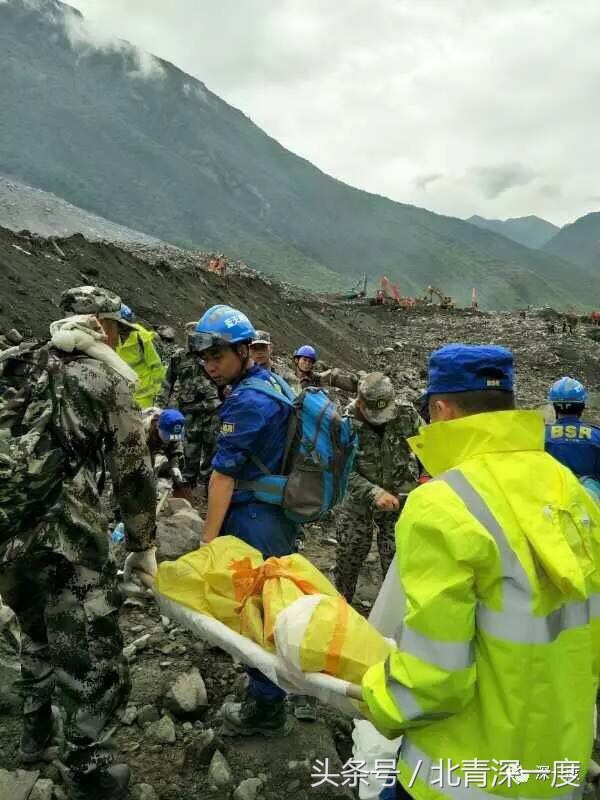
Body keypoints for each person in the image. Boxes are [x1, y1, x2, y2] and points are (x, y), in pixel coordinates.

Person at [361, 344, 600, 800]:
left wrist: (373, 695)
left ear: (442, 409)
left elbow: (434, 683)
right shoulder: (572, 491)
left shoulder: (443, 504)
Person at [0, 285, 157, 800]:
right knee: (90, 656)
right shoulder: (106, 378)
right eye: (120, 329)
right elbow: (132, 471)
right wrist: (142, 543)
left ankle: (33, 740)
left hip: (8, 536)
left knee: (34, 635)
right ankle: (89, 769)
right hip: (66, 542)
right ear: (104, 324)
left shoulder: (18, 364)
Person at [193, 304, 298, 736]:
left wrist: (208, 543)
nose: (209, 367)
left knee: (256, 608)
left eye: (217, 357)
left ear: (242, 351)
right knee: (270, 600)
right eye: (205, 358)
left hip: (254, 517)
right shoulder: (270, 382)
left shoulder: (248, 402)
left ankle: (267, 708)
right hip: (274, 512)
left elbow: (222, 477)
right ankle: (272, 686)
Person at [334, 373, 421, 603]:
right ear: (361, 403)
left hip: (399, 501)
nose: (382, 420)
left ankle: (392, 612)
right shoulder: (346, 422)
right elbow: (341, 471)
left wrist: (426, 477)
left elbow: (429, 448)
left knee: (398, 560)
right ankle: (341, 609)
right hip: (358, 503)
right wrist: (374, 492)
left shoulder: (407, 413)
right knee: (349, 555)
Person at [168, 323, 221, 494]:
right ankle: (188, 484)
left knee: (213, 447)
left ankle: (208, 485)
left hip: (212, 410)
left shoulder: (211, 354)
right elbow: (167, 383)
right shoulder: (178, 357)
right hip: (189, 411)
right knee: (189, 449)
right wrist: (161, 407)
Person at [545, 376, 600, 483]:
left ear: (555, 407)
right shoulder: (597, 436)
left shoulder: (540, 436)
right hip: (588, 497)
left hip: (552, 496)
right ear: (582, 406)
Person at [113, 301, 166, 409]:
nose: (124, 330)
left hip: (145, 394)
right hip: (124, 392)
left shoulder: (141, 338)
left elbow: (156, 366)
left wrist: (160, 394)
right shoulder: (111, 337)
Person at [142, 407, 186, 490]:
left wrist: (174, 466)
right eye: (168, 437)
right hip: (147, 441)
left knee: (179, 461)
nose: (171, 439)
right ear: (158, 427)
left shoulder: (176, 426)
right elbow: (143, 461)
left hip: (158, 435)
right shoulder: (142, 430)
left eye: (174, 437)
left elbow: (176, 448)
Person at [293, 344, 358, 393]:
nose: (307, 363)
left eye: (310, 361)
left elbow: (330, 376)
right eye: (304, 360)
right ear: (296, 360)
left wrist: (354, 384)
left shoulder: (315, 377)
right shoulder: (289, 376)